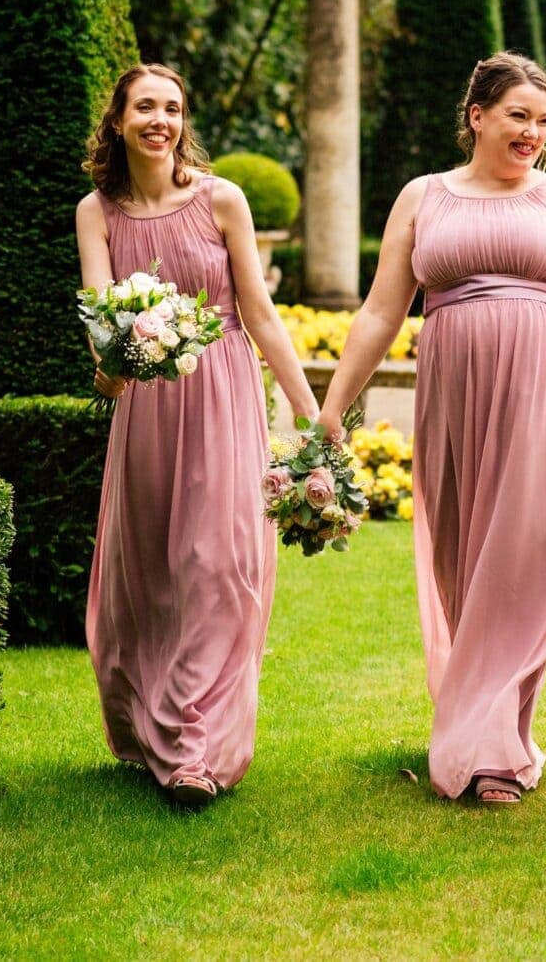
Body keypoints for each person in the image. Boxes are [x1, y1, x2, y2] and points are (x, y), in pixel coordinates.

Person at [318, 53, 546, 805]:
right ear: (477, 116)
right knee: (465, 555)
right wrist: (335, 403)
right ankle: (480, 719)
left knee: (526, 556)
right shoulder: (422, 196)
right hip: (455, 390)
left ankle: (495, 746)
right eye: (517, 117)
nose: (533, 133)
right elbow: (380, 309)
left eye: (543, 121)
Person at [76, 63, 320, 806]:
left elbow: (260, 313)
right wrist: (111, 369)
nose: (161, 119)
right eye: (145, 106)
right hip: (148, 404)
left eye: (173, 108)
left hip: (222, 393)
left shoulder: (222, 198)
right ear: (118, 120)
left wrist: (312, 415)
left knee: (215, 562)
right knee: (150, 568)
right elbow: (99, 316)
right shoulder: (96, 210)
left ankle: (196, 751)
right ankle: (149, 725)